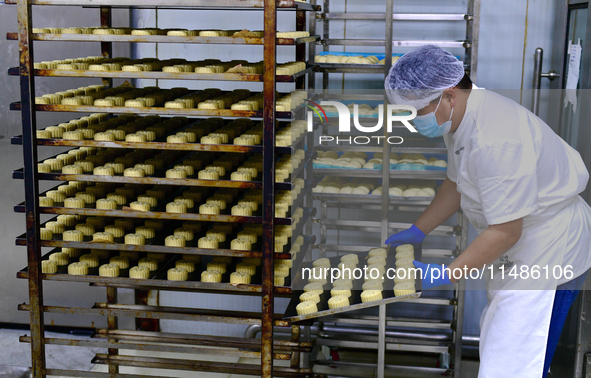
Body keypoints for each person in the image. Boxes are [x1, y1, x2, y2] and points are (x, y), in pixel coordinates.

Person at [384, 45, 591, 378]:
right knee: (504, 350)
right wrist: (418, 229)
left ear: (448, 95)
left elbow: (506, 231)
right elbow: (456, 184)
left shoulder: (496, 136)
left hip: (548, 249)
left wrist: (447, 274)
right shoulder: (462, 118)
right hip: (521, 245)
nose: (412, 121)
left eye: (417, 111)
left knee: (515, 363)